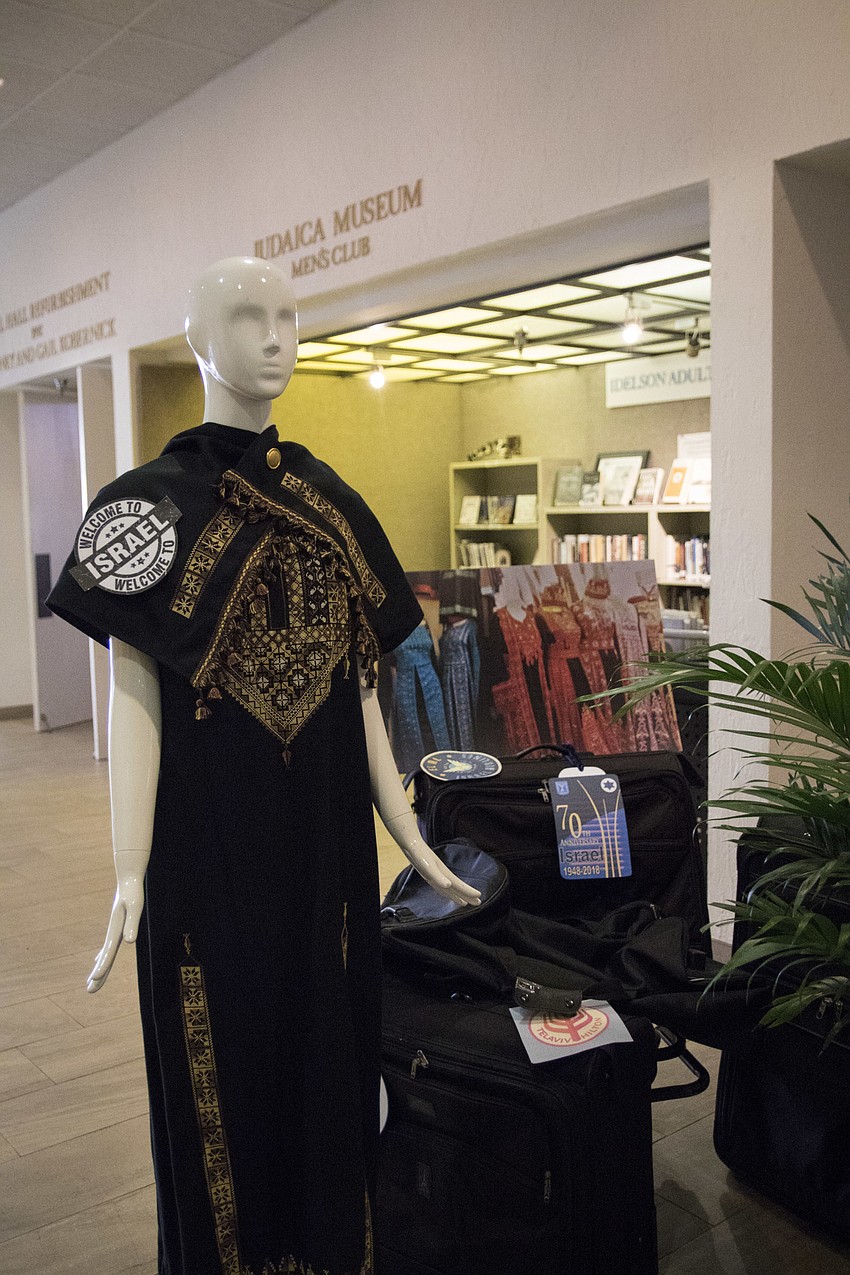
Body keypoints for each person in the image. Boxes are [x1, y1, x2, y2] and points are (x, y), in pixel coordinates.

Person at [47, 256, 479, 1275]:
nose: (278, 336)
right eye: (249, 316)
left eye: (290, 315)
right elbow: (134, 698)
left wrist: (409, 829)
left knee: (327, 1062)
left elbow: (362, 688)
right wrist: (127, 870)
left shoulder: (330, 503)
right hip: (204, 864)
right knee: (219, 1067)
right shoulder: (140, 512)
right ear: (198, 339)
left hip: (325, 860)